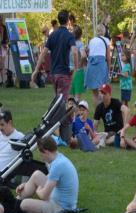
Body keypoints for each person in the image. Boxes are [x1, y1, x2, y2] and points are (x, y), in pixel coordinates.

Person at [31, 10, 78, 143]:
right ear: (68, 20)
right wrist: (75, 67)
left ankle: (65, 136)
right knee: (60, 105)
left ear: (58, 20)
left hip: (54, 75)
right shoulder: (69, 36)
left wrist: (35, 70)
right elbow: (75, 52)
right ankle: (47, 130)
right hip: (64, 74)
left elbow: (43, 54)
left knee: (59, 104)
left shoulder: (52, 35)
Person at [16, 137, 79, 213]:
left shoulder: (57, 166)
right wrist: (25, 185)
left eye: (41, 154)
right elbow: (49, 179)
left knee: (24, 204)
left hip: (61, 207)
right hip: (58, 197)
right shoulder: (58, 158)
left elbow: (43, 196)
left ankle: (15, 204)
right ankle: (15, 201)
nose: (41, 158)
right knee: (37, 174)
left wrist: (38, 190)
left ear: (46, 152)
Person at [84, 24, 111, 108]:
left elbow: (87, 52)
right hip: (100, 65)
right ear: (104, 31)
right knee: (102, 90)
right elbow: (108, 57)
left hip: (91, 65)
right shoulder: (106, 40)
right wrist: (109, 68)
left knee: (94, 93)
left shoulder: (91, 40)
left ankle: (97, 114)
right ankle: (103, 111)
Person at [69, 25, 87, 101]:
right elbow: (83, 56)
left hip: (69, 70)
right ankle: (76, 112)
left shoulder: (69, 43)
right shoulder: (80, 44)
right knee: (77, 96)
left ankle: (69, 111)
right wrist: (79, 65)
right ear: (81, 35)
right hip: (78, 71)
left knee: (70, 95)